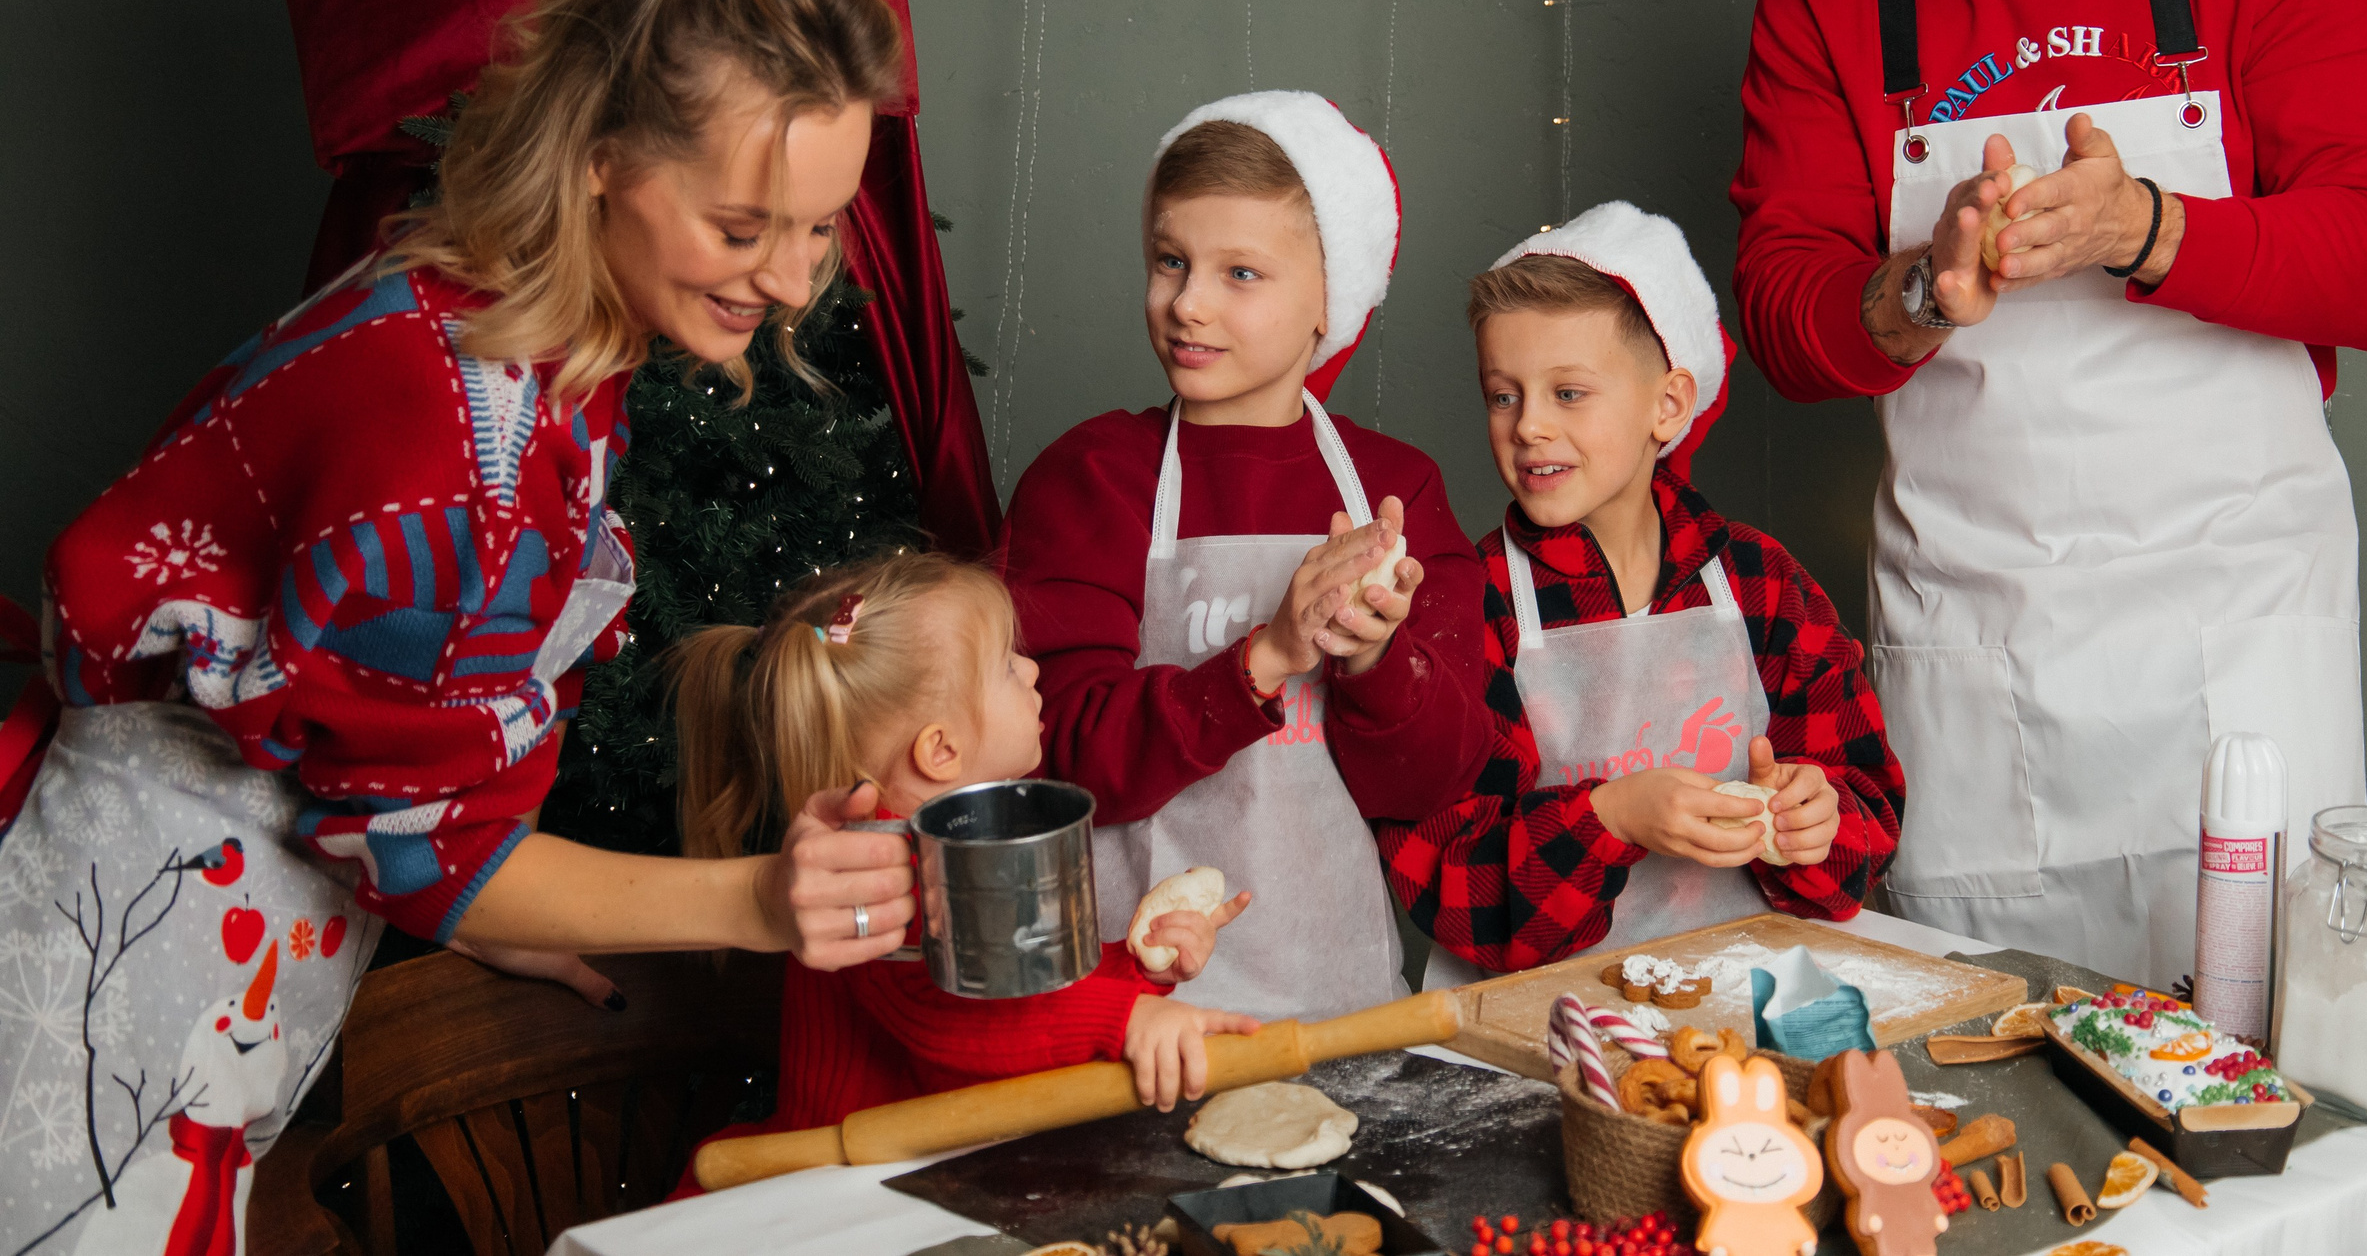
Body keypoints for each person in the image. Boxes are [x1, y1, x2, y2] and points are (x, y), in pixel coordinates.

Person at [2, 0, 923, 1253]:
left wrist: (471, 893)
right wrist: (752, 899)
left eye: (817, 223)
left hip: (225, 963)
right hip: (124, 971)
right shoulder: (447, 423)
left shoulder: (517, 323)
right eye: (744, 227)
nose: (793, 278)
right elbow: (417, 827)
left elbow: (385, 761)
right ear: (605, 150)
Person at [1732, 0, 2367, 983]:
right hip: (1986, 664)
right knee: (1985, 1107)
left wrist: (2147, 229)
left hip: (2242, 651)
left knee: (2257, 1086)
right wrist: (1918, 289)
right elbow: (1785, 321)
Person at [1001, 92, 1498, 1020]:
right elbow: (1064, 761)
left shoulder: (1396, 489)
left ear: (1330, 302)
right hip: (1124, 1008)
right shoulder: (1091, 478)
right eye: (1171, 260)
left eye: (1241, 273)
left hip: (1339, 996)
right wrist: (1264, 658)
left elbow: (1433, 783)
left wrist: (1380, 661)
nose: (1187, 301)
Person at [1381, 204, 1905, 979]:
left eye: (1568, 393)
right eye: (1504, 394)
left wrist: (1814, 822)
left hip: (1741, 1015)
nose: (1528, 427)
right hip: (1537, 1037)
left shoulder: (1762, 585)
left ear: (1668, 405)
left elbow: (1865, 817)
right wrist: (1611, 817)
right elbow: (1444, 875)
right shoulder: (1468, 602)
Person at [666, 554, 1256, 1190]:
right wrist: (1126, 1020)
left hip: (947, 1179)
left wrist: (1137, 967)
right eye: (1007, 664)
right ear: (940, 750)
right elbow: (959, 1020)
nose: (1033, 670)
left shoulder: (970, 844)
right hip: (844, 1194)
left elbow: (1024, 989)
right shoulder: (867, 866)